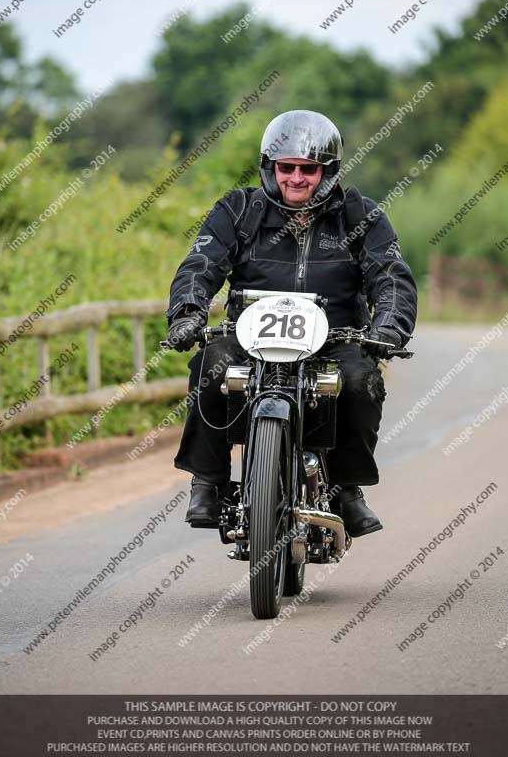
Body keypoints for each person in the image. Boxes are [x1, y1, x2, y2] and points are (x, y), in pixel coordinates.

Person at [165, 110, 417, 537]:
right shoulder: (238, 210)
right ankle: (207, 481)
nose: (296, 178)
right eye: (287, 168)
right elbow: (200, 265)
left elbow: (390, 276)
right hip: (251, 335)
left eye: (308, 168)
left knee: (359, 381)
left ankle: (346, 489)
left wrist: (388, 327)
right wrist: (187, 312)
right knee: (211, 364)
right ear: (270, 167)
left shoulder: (361, 216)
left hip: (336, 337)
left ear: (328, 171)